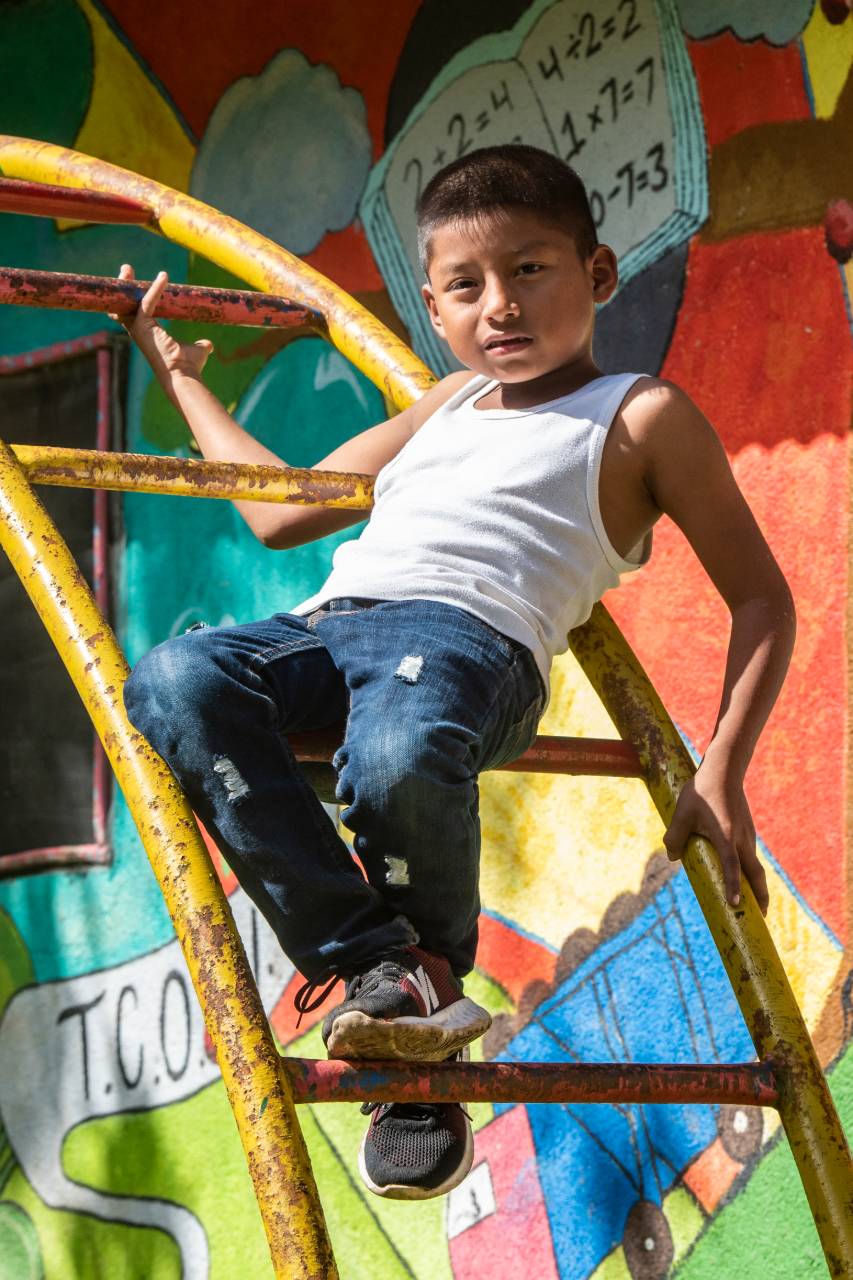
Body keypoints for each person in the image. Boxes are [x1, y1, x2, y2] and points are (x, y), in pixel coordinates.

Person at [120, 145, 795, 1201]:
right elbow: (278, 506)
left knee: (395, 754)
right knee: (172, 678)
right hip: (327, 628)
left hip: (472, 644)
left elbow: (763, 598)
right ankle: (386, 975)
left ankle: (417, 996)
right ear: (435, 310)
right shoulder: (442, 404)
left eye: (531, 270)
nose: (501, 306)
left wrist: (723, 768)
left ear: (598, 273)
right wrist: (183, 382)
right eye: (467, 287)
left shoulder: (638, 414)